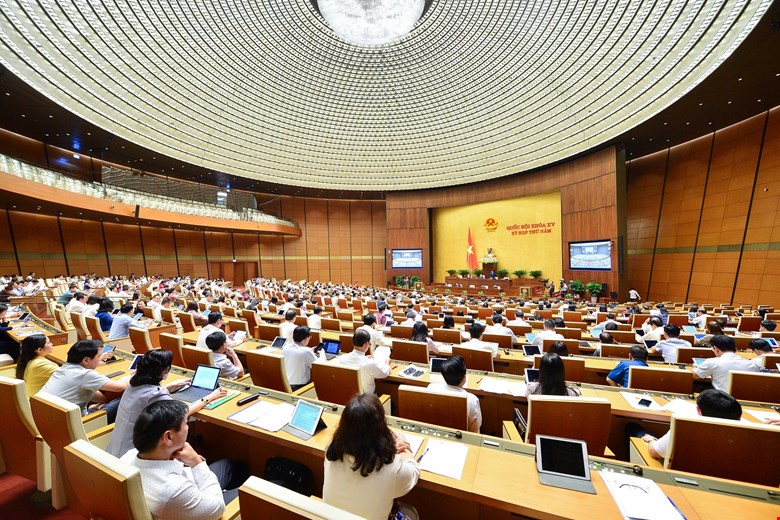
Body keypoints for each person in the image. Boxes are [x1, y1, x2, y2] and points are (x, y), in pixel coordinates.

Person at [121, 400, 248, 519]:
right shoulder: (173, 490)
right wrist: (196, 462)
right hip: (203, 504)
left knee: (230, 465)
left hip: (184, 497)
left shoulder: (129, 456)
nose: (188, 427)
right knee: (250, 493)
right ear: (168, 437)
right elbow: (218, 507)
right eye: (186, 423)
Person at [107, 349, 226, 457]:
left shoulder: (133, 385)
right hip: (132, 454)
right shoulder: (156, 394)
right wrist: (209, 397)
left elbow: (148, 394)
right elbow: (182, 412)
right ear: (165, 371)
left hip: (114, 449)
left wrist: (173, 385)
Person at [323, 393, 420, 520]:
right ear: (380, 429)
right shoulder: (391, 467)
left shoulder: (331, 452)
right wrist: (403, 448)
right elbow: (414, 471)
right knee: (412, 513)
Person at [637, 389, 743, 460]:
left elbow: (654, 452)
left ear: (698, 410)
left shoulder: (685, 426)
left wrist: (652, 440)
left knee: (634, 428)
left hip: (677, 477)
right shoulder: (750, 434)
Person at [40, 339, 129, 422]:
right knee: (123, 400)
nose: (100, 359)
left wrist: (104, 403)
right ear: (86, 360)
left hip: (52, 419)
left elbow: (89, 390)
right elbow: (120, 387)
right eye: (99, 356)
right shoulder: (85, 375)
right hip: (77, 423)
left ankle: (93, 409)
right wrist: (133, 374)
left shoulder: (63, 368)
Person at [426, 356, 482, 432]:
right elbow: (475, 429)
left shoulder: (431, 388)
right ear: (464, 378)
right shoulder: (472, 400)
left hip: (436, 432)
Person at [694, 334, 760, 391]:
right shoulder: (752, 364)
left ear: (716, 349)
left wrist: (695, 368)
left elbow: (695, 376)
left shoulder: (712, 362)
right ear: (735, 349)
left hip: (722, 399)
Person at [339, 329, 391, 394]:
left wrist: (365, 358)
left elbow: (357, 362)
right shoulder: (370, 363)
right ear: (366, 344)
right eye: (369, 343)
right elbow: (385, 373)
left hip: (350, 396)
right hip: (367, 400)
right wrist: (387, 363)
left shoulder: (343, 359)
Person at [282, 326, 317, 391]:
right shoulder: (306, 351)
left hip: (286, 384)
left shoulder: (286, 347)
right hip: (300, 387)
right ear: (306, 338)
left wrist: (310, 351)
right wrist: (322, 354)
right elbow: (318, 366)